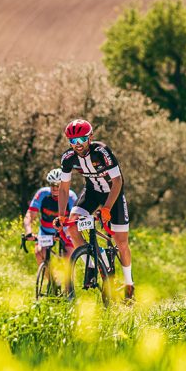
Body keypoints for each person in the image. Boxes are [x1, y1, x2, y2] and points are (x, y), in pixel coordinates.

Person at [56, 119, 134, 300]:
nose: (78, 144)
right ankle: (92, 264)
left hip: (113, 195)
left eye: (82, 139)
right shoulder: (68, 158)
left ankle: (129, 284)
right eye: (73, 141)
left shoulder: (102, 152)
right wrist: (61, 215)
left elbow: (118, 181)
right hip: (92, 193)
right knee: (72, 227)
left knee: (121, 241)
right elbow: (64, 188)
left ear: (90, 137)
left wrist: (107, 208)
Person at [23, 169, 77, 267]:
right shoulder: (42, 194)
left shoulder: (71, 196)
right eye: (52, 185)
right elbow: (30, 215)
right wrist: (28, 232)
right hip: (46, 232)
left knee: (68, 258)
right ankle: (49, 275)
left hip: (65, 232)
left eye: (58, 185)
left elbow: (75, 220)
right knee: (39, 253)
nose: (55, 188)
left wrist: (64, 233)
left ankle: (67, 276)